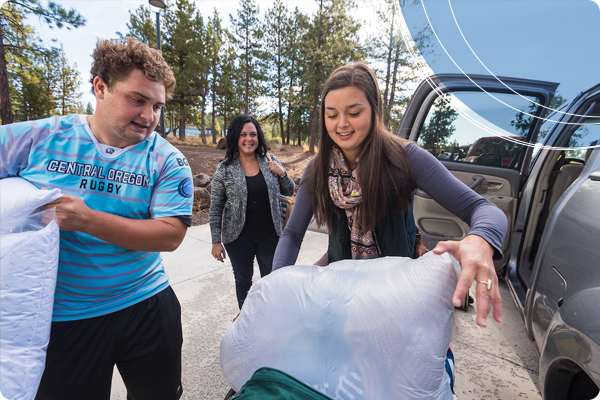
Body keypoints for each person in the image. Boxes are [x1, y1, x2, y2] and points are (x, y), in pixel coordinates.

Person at [0, 37, 192, 400]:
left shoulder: (168, 159)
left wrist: (89, 220)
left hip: (146, 302)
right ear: (101, 87)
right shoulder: (40, 137)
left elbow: (169, 236)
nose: (149, 117)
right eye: (137, 99)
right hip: (64, 316)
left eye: (157, 106)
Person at [273, 62, 505, 329]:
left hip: (398, 295)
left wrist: (480, 240)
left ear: (374, 110)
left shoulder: (406, 159)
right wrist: (273, 288)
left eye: (354, 112)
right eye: (332, 114)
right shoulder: (318, 168)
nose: (342, 124)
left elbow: (485, 210)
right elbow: (291, 235)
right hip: (340, 293)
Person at [210, 115, 295, 309]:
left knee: (272, 280)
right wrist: (216, 241)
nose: (249, 139)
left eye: (253, 134)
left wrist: (282, 173)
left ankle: (271, 319)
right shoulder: (224, 170)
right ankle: (246, 321)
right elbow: (215, 207)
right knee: (243, 281)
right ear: (235, 138)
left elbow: (289, 191)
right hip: (238, 239)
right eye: (243, 135)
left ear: (259, 137)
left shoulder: (270, 161)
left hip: (270, 236)